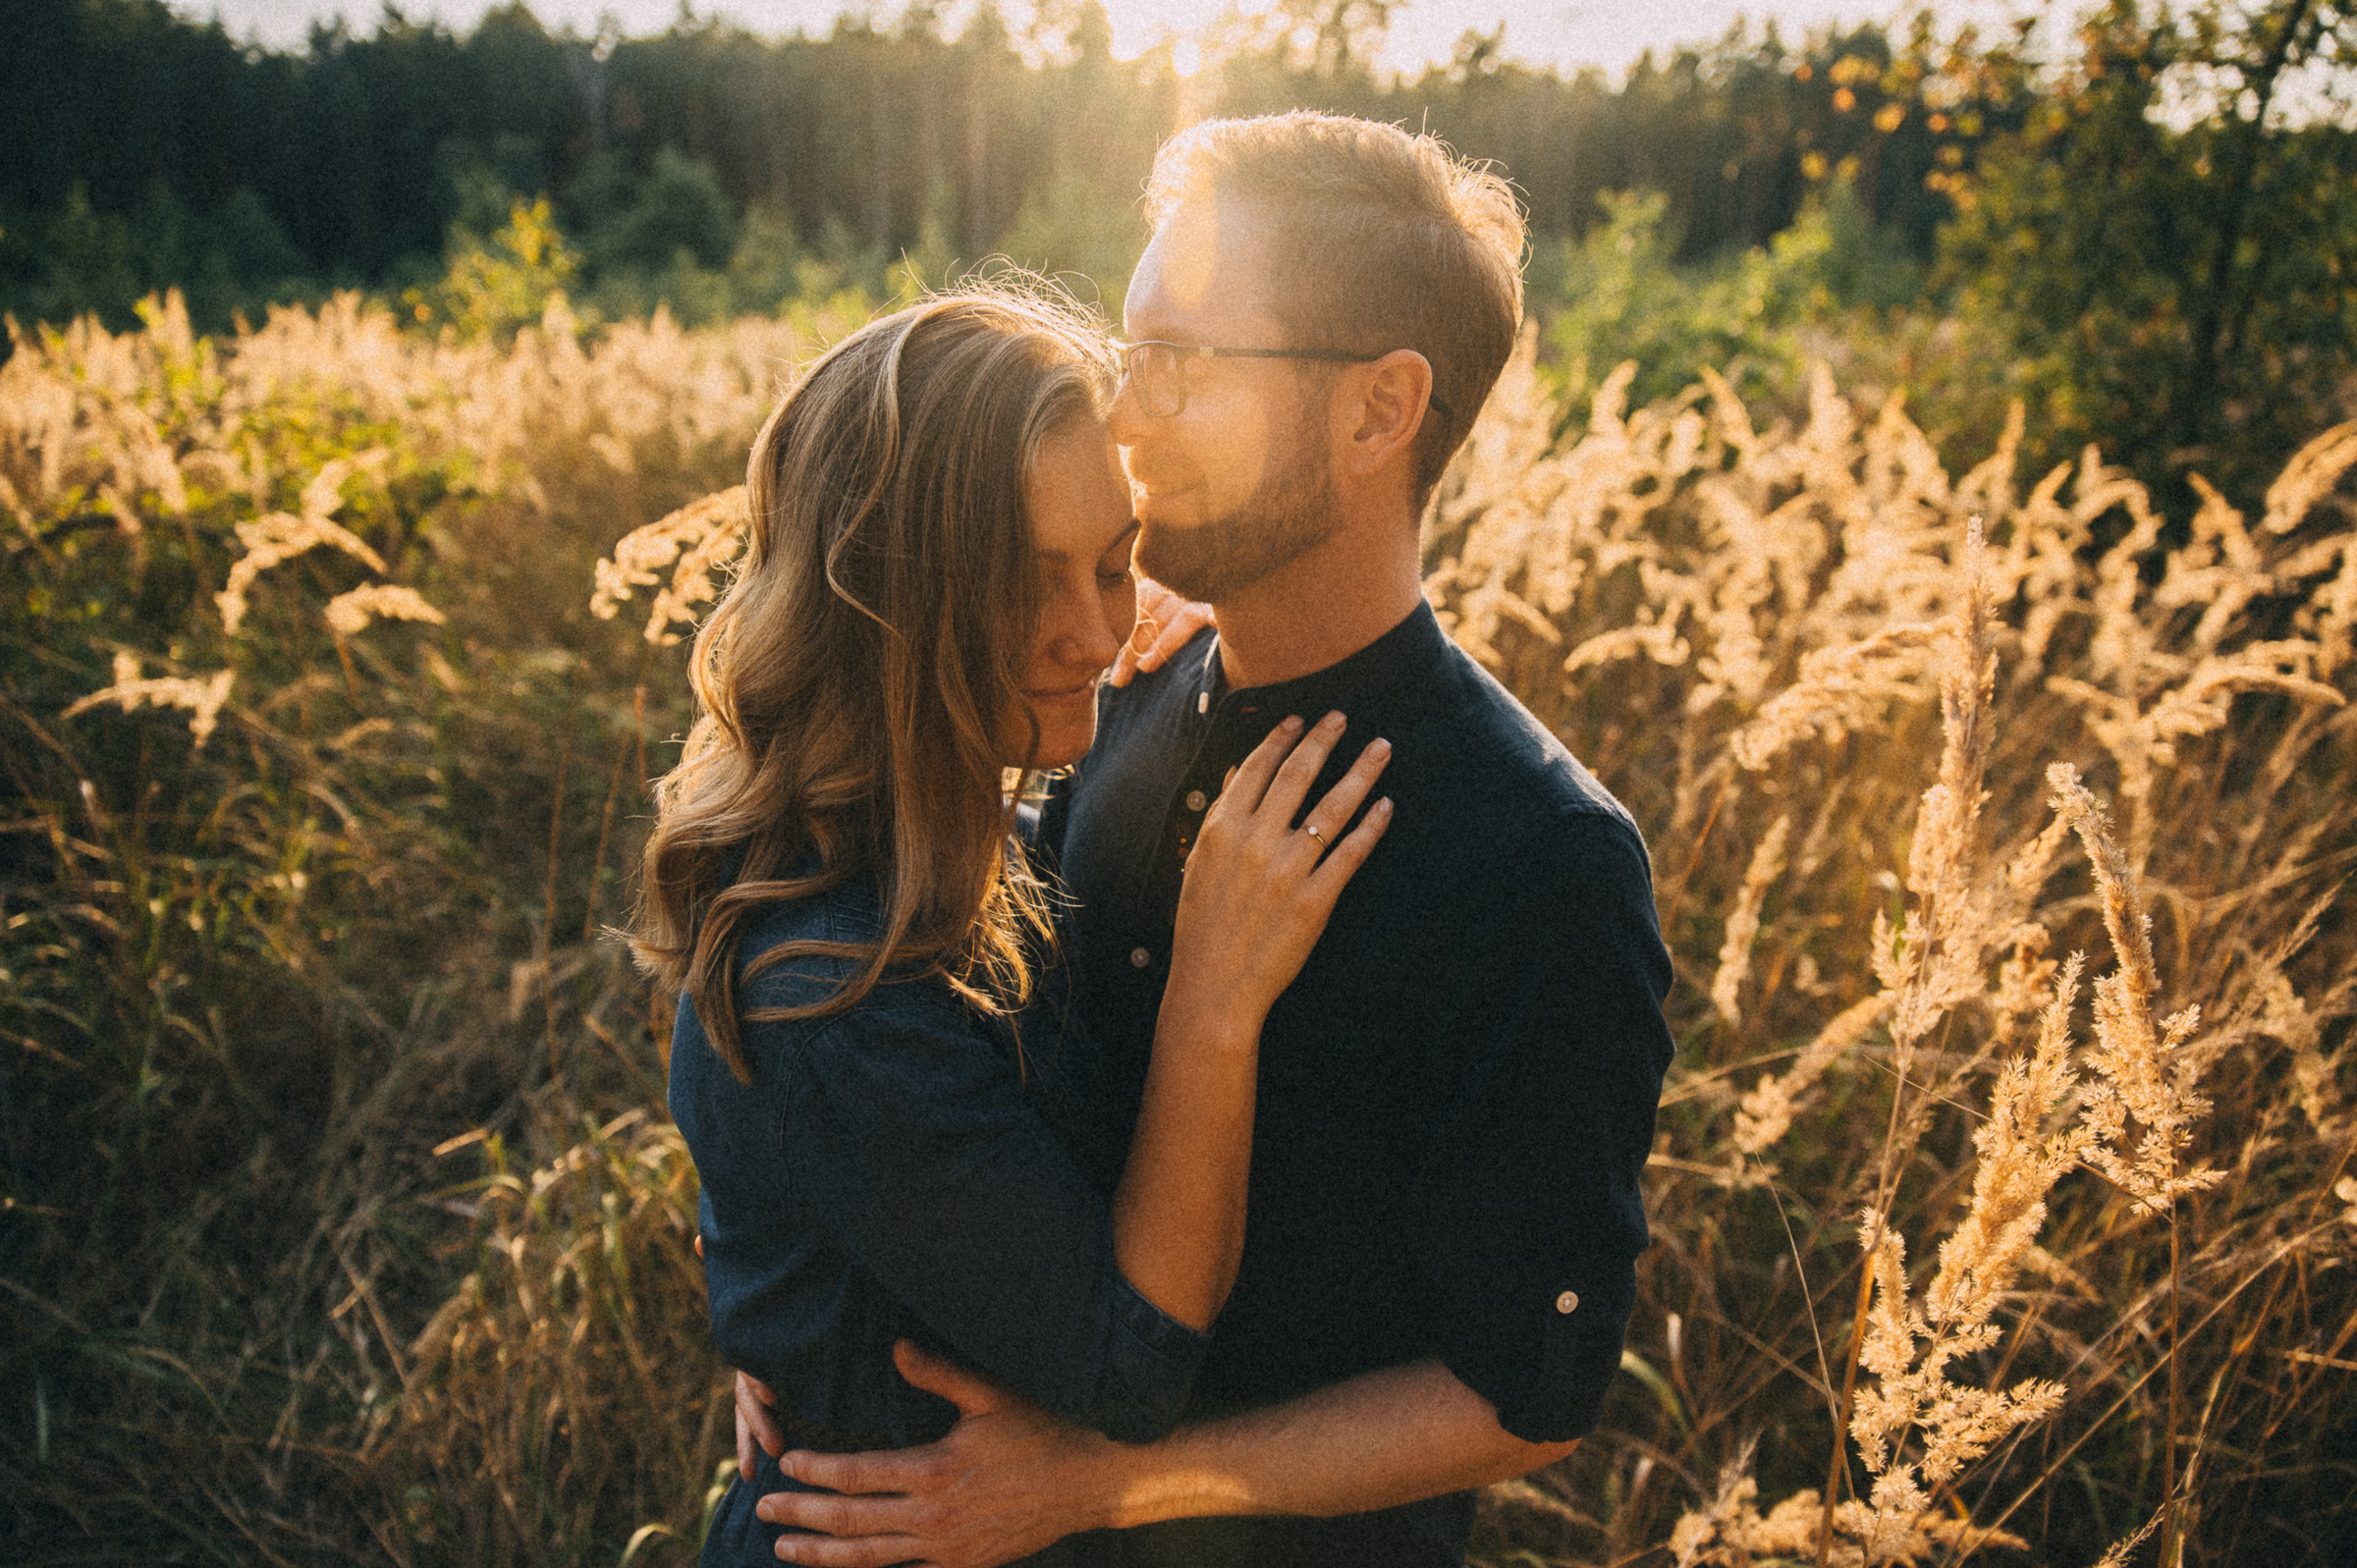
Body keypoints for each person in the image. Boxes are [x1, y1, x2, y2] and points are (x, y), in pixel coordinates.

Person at [741, 113, 1679, 1568]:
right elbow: (971, 1071)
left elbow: (1526, 1393)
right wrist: (829, 1316)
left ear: (1379, 412)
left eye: (1185, 362)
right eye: (1131, 352)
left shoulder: (1538, 858)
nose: (1127, 413)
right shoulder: (1105, 698)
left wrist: (1108, 1482)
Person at [638, 286, 1397, 1567]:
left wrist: (795, 1298)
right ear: (884, 598)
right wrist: (1216, 992)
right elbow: (1129, 1363)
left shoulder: (936, 830)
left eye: (1115, 561)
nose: (1101, 634)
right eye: (1024, 583)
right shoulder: (833, 993)